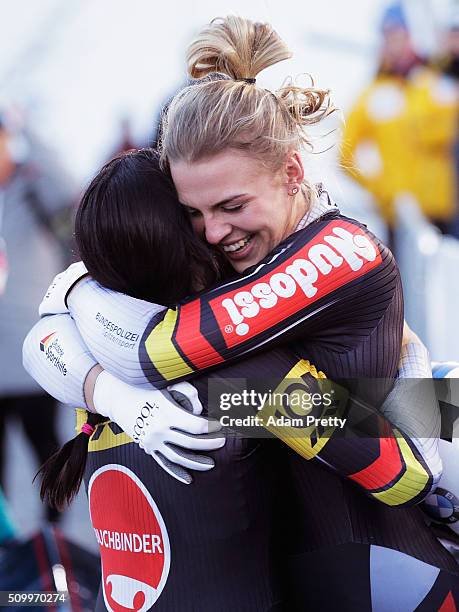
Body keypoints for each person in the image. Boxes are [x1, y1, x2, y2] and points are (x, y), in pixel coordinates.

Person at [25, 16, 459, 610]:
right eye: (194, 215)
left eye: (232, 205)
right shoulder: (245, 255)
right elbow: (44, 343)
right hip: (282, 569)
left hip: (380, 572)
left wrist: (77, 295)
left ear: (292, 173)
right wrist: (113, 389)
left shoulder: (338, 252)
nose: (215, 233)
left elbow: (159, 350)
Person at [0, 111, 75, 523]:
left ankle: (54, 537)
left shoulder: (31, 187)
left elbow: (69, 188)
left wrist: (26, 125)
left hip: (31, 352)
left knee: (45, 450)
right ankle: (8, 549)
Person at [340, 3, 459, 249]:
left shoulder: (438, 84)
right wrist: (383, 190)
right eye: (388, 35)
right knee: (403, 283)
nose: (394, 43)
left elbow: (446, 132)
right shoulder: (373, 95)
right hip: (399, 218)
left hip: (445, 213)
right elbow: (345, 152)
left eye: (399, 35)